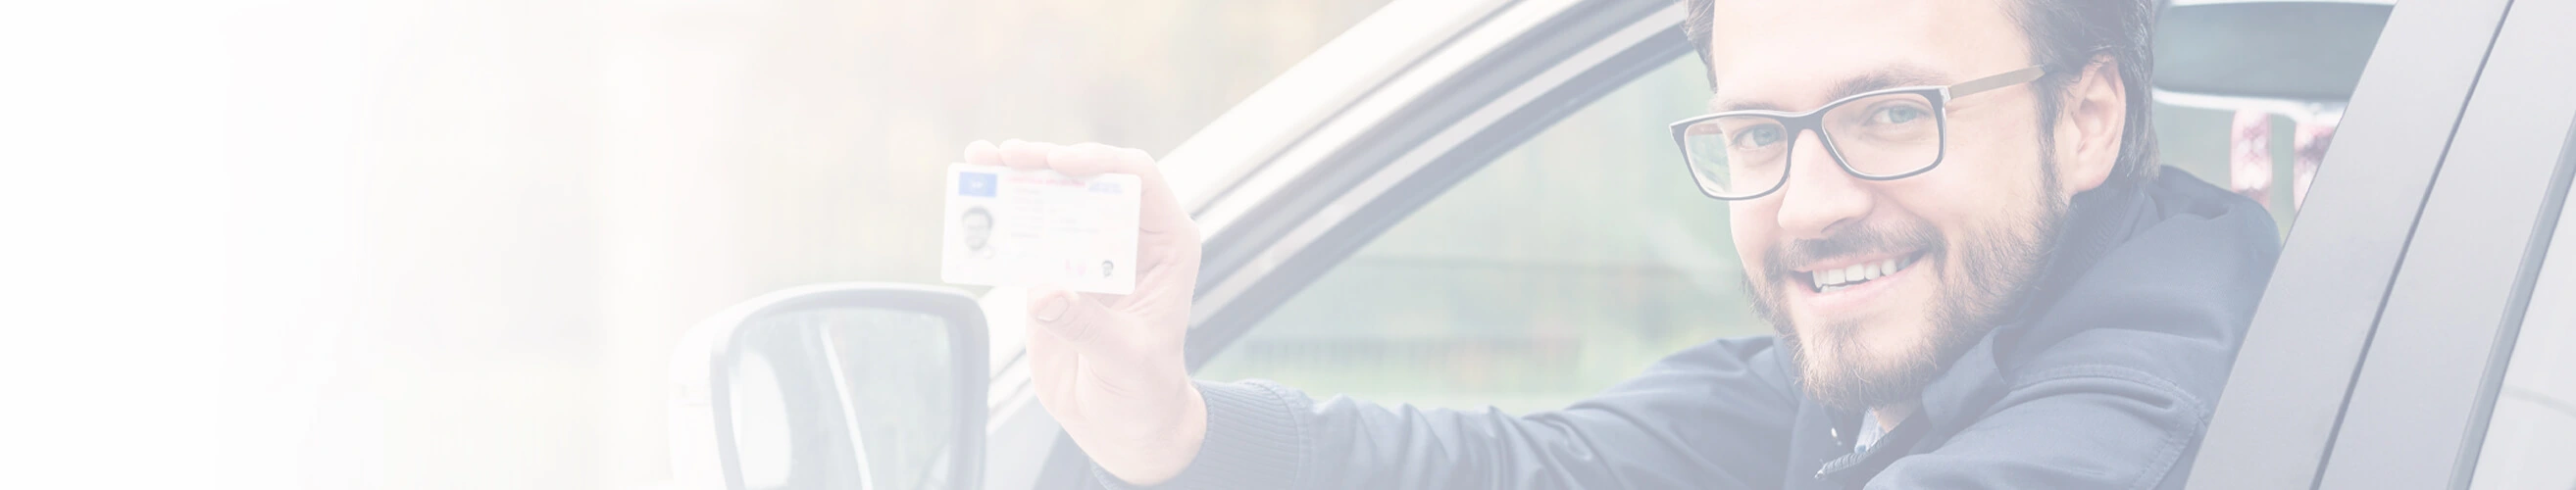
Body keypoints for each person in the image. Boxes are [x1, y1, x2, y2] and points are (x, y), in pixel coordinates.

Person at [959, 0, 2278, 487]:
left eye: (1891, 114)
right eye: (1758, 133)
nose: (1811, 202)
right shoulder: (1906, 357)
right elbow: (1544, 468)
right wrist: (1173, 432)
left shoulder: (2156, 383)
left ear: (2088, 117)